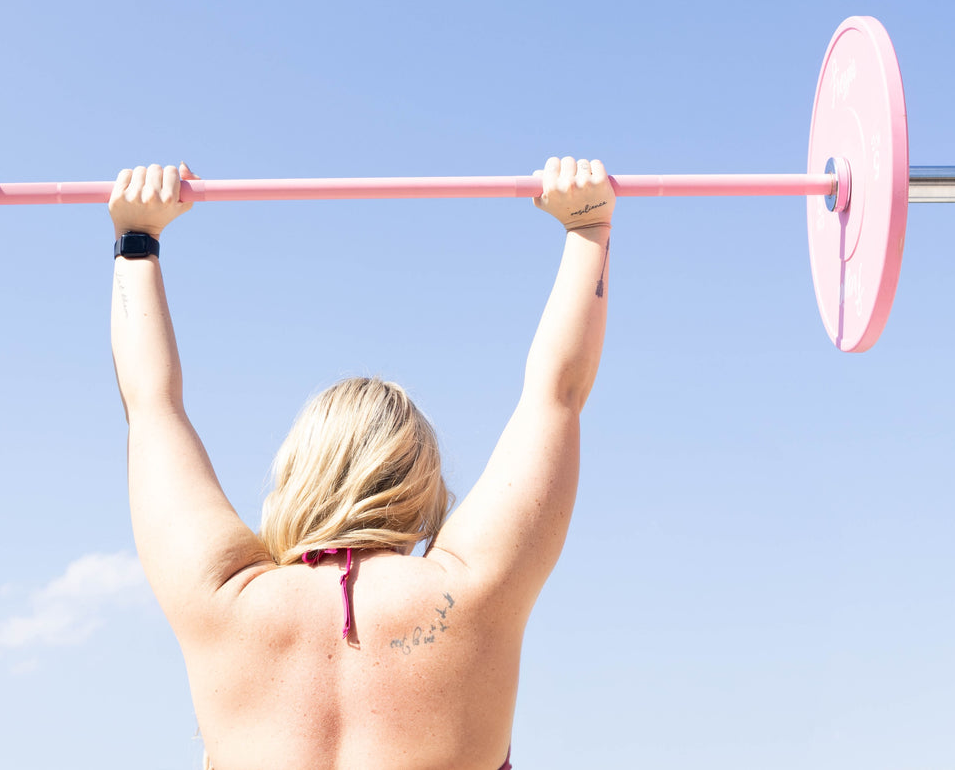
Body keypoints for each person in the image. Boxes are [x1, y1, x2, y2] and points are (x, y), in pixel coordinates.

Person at [109, 157, 614, 770]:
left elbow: (152, 406)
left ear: (296, 475)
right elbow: (557, 395)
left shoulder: (224, 599)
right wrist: (587, 224)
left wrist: (137, 241)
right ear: (425, 487)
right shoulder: (476, 588)